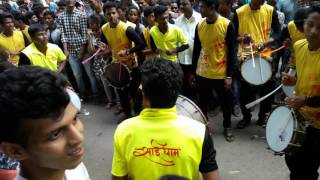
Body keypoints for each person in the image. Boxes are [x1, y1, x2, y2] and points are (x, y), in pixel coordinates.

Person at [111, 58, 220, 180]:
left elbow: (118, 177)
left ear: (145, 97)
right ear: (177, 95)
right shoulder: (199, 132)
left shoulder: (124, 130)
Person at [0, 66, 90, 180]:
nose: (78, 139)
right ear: (15, 151)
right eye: (55, 134)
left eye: (75, 119)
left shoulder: (73, 169)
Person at [281, 5, 320, 180]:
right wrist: (294, 81)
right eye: (310, 25)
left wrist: (306, 100)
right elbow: (308, 77)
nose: (313, 31)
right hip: (301, 119)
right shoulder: (299, 45)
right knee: (293, 163)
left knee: (307, 170)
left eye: (319, 28)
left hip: (318, 126)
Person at [192, 0, 236, 141]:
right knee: (203, 101)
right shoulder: (199, 25)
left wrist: (229, 76)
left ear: (212, 8)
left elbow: (232, 53)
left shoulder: (227, 25)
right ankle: (204, 126)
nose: (200, 9)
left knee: (225, 102)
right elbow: (197, 50)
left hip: (220, 73)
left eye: (202, 7)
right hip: (202, 71)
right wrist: (193, 72)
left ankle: (227, 126)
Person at [233, 0, 280, 129]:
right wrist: (243, 39)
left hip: (266, 56)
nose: (260, 4)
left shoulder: (270, 11)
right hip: (246, 57)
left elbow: (278, 33)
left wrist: (265, 43)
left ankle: (262, 117)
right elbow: (233, 36)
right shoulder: (239, 12)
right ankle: (246, 117)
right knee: (245, 91)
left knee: (267, 91)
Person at [101, 1, 145, 120]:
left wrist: (128, 51)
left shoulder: (127, 29)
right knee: (122, 93)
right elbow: (104, 43)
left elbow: (141, 44)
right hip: (118, 66)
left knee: (135, 92)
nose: (111, 16)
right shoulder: (104, 28)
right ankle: (128, 116)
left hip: (132, 65)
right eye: (108, 14)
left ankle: (139, 116)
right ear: (105, 15)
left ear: (118, 14)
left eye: (114, 13)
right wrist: (102, 47)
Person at [58, 0, 98, 99]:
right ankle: (83, 95)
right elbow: (63, 35)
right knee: (77, 75)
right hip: (71, 51)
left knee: (90, 74)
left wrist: (82, 51)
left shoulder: (82, 15)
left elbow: (84, 34)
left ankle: (96, 94)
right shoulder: (61, 16)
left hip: (83, 50)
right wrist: (65, 50)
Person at [175, 0, 202, 99]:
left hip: (198, 59)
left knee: (199, 86)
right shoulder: (177, 21)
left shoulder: (200, 19)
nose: (182, 6)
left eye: (185, 4)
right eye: (180, 4)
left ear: (192, 3)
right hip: (182, 60)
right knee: (186, 86)